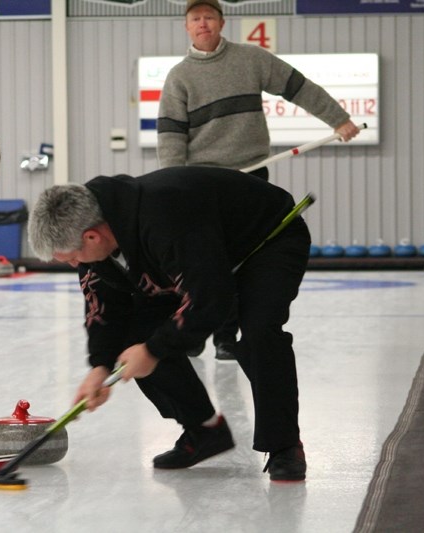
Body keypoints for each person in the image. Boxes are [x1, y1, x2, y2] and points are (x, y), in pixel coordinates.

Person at [28, 166, 311, 481]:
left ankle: (285, 445)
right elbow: (105, 310)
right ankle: (203, 430)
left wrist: (152, 350)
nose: (74, 265)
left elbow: (210, 300)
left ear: (92, 236)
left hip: (267, 239)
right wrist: (101, 366)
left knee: (259, 330)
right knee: (133, 338)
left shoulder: (165, 215)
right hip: (203, 256)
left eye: (70, 258)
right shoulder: (93, 236)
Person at [158, 0, 361, 361]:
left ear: (221, 22)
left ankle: (226, 338)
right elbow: (171, 135)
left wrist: (339, 119)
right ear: (186, 26)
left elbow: (300, 88)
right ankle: (196, 332)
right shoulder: (179, 76)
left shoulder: (251, 59)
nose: (202, 23)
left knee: (244, 257)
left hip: (253, 176)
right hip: (204, 182)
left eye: (208, 17)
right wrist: (172, 186)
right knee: (203, 261)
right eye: (195, 19)